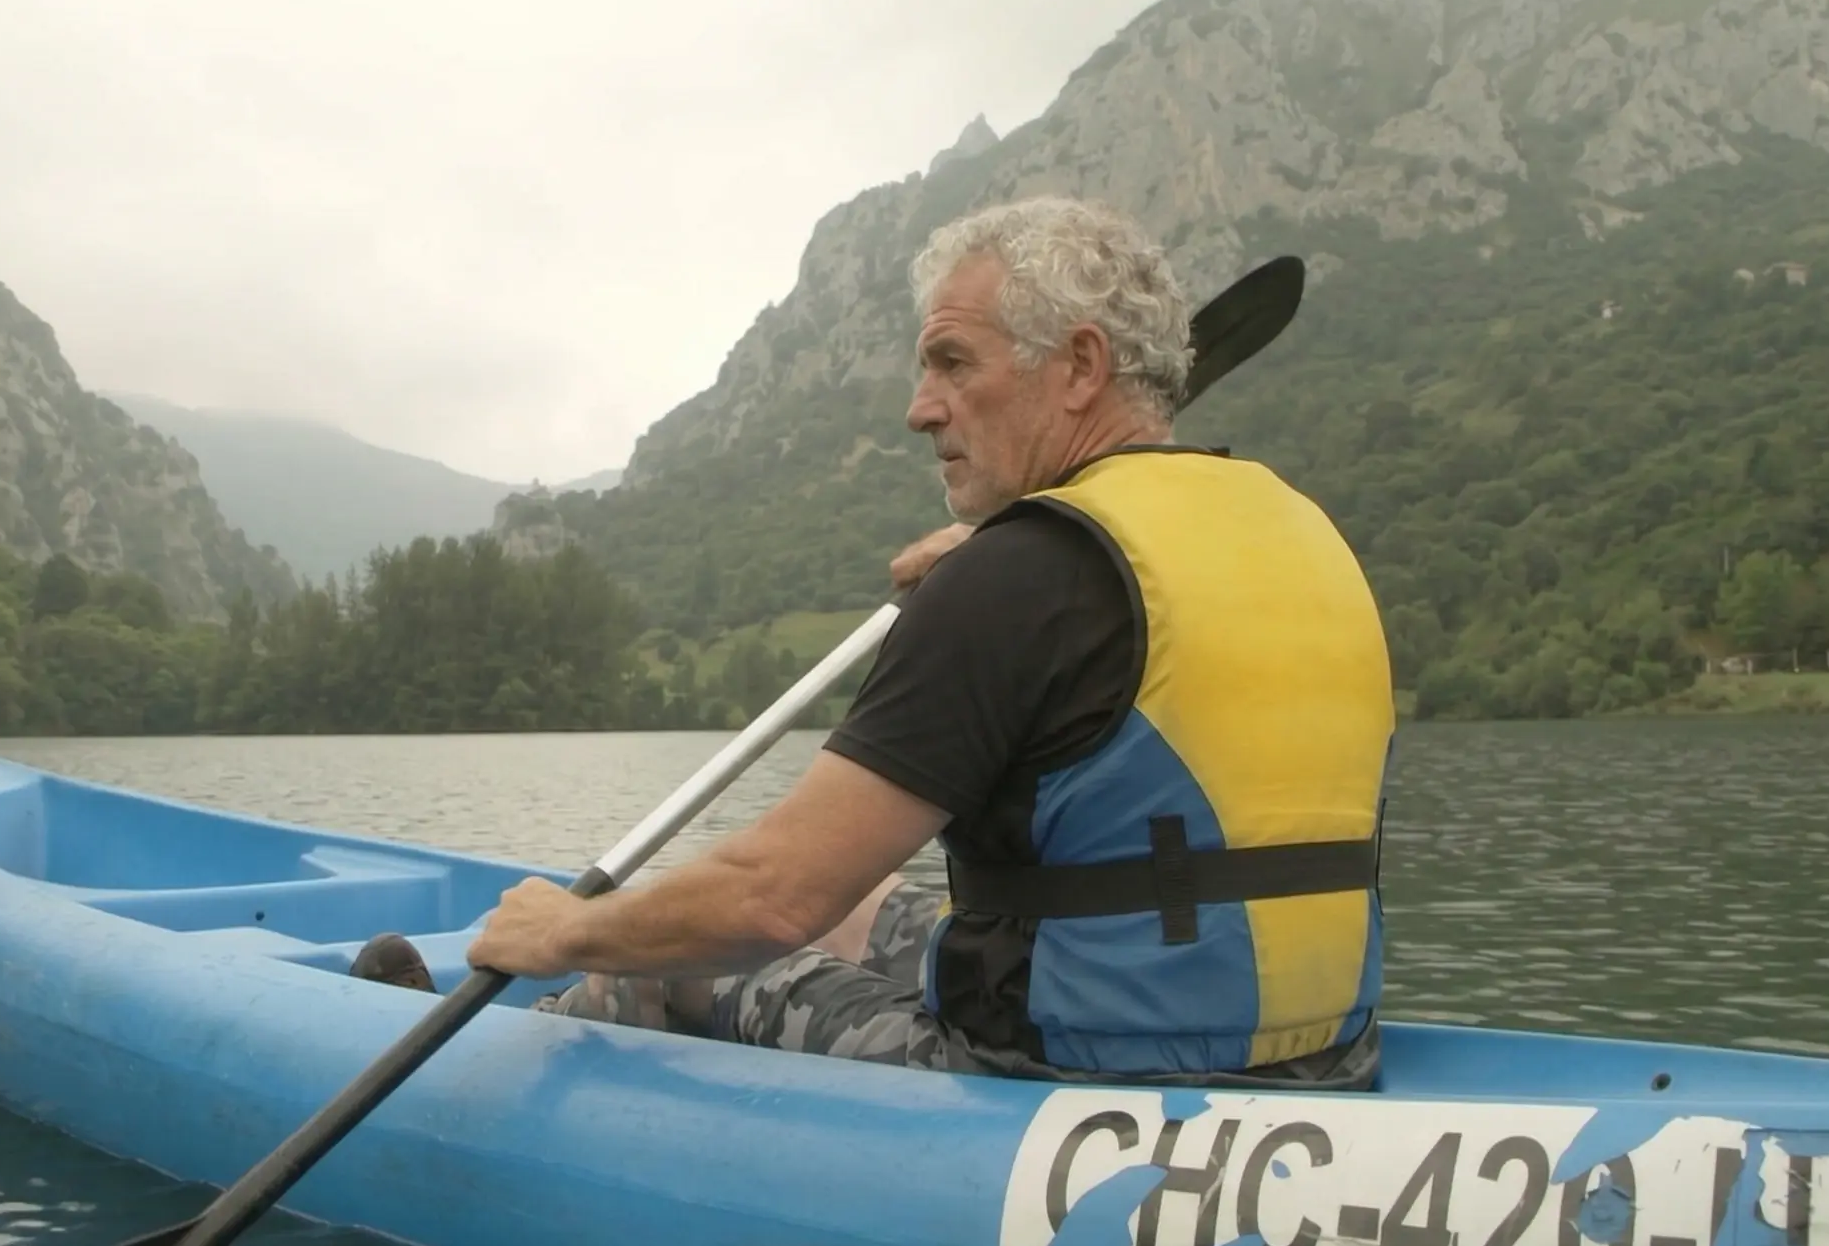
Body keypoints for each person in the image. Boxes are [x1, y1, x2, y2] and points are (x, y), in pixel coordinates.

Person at [353, 195, 1396, 1089]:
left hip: (1067, 1079)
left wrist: (567, 931)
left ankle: (487, 1066)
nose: (918, 410)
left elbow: (773, 897)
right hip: (1322, 1059)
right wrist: (1010, 546)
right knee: (866, 905)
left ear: (1080, 365)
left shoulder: (1018, 579)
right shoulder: (1302, 535)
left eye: (951, 363)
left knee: (671, 949)